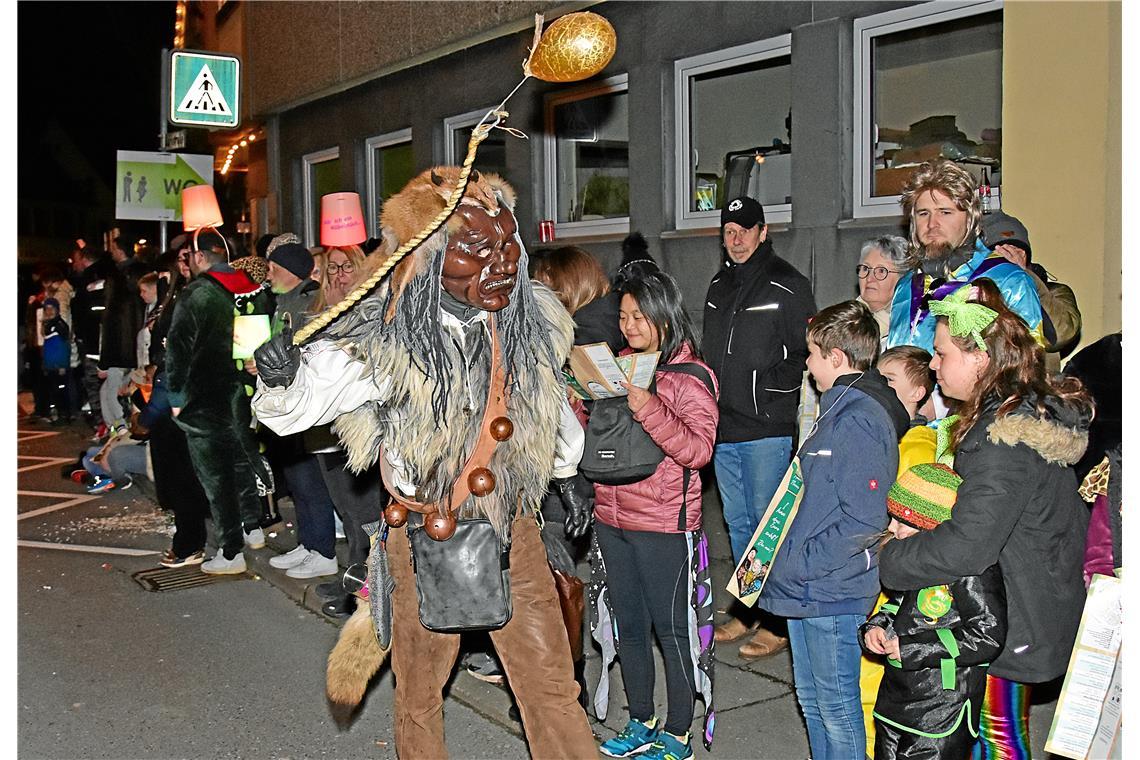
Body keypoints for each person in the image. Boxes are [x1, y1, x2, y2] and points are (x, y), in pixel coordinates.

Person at [252, 167, 598, 758]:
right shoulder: (387, 334)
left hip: (514, 530)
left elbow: (548, 407)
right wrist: (281, 380)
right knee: (418, 696)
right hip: (419, 539)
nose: (504, 261)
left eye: (508, 242)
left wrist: (568, 477)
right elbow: (298, 406)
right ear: (428, 254)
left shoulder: (530, 320)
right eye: (478, 248)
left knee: (551, 690)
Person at [879, 280, 1092, 759]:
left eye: (941, 354)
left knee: (1000, 738)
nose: (933, 365)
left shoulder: (1003, 441)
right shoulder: (1007, 418)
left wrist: (892, 558)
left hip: (1023, 612)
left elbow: (968, 544)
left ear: (978, 359)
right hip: (1028, 597)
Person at [760, 300, 908, 760]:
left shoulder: (859, 416)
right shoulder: (839, 408)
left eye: (812, 354)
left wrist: (801, 563)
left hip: (830, 586)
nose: (806, 364)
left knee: (837, 707)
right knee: (812, 702)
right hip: (810, 585)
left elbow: (864, 517)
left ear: (837, 358)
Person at [590, 270, 719, 760]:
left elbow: (698, 449)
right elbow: (600, 440)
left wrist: (647, 407)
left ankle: (679, 732)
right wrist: (580, 398)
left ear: (664, 316)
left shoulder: (691, 376)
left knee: (673, 630)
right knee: (629, 626)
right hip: (612, 516)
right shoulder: (619, 366)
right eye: (622, 317)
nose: (628, 327)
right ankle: (640, 719)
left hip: (664, 523)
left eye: (638, 317)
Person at [702, 195, 817, 659]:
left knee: (771, 527)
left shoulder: (788, 284)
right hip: (724, 426)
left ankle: (778, 621)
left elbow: (805, 350)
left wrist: (770, 392)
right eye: (729, 230)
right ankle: (748, 610)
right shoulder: (719, 284)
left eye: (745, 230)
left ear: (763, 231)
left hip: (766, 425)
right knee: (738, 524)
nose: (736, 239)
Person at [862, 463, 1007, 759]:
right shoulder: (915, 557)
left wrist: (915, 648)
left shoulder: (970, 569)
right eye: (891, 517)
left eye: (902, 520)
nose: (891, 528)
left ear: (931, 525)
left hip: (940, 710)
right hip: (897, 700)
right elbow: (903, 605)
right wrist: (876, 626)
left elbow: (987, 635)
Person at [165, 231, 272, 575]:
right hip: (242, 392)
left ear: (198, 257)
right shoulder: (252, 289)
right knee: (241, 461)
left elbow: (178, 351)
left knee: (216, 477)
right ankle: (253, 527)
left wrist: (177, 399)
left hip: (204, 398)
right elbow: (255, 347)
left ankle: (231, 552)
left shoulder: (197, 293)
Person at [886, 159, 1043, 353]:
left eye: (945, 212)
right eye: (923, 213)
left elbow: (1026, 369)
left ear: (970, 218)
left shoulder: (1009, 281)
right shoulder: (906, 286)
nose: (932, 224)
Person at [261, 241, 340, 580]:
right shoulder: (283, 302)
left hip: (305, 406)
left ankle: (322, 550)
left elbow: (306, 351)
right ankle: (308, 544)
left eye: (272, 269)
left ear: (290, 271)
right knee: (296, 478)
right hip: (288, 402)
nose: (268, 275)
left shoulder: (309, 302)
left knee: (310, 481)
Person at [980, 210, 1081, 373]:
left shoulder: (1054, 292)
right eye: (1001, 253)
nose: (1010, 258)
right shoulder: (973, 293)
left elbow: (1060, 334)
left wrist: (1026, 278)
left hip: (1036, 389)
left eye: (1016, 252)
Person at [531, 244, 623, 354]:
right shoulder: (606, 314)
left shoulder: (587, 333)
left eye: (546, 286)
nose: (543, 296)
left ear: (568, 287)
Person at [856, 235, 910, 350]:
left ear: (902, 279)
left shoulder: (910, 331)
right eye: (865, 269)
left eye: (881, 271)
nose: (870, 278)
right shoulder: (843, 319)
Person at [40, 298, 73, 423]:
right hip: (51, 365)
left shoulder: (59, 325)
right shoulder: (49, 324)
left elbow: (64, 347)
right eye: (46, 309)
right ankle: (58, 414)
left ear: (57, 310)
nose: (48, 311)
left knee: (61, 391)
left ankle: (64, 415)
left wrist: (62, 365)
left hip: (59, 366)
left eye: (51, 309)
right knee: (54, 391)